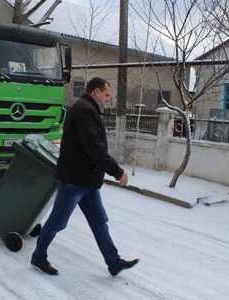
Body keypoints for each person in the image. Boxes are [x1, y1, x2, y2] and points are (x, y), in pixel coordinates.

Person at [31, 77, 139, 276]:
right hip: (74, 181)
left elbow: (92, 146)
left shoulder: (88, 109)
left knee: (99, 222)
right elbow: (93, 147)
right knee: (57, 222)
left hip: (86, 181)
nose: (109, 99)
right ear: (96, 92)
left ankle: (114, 263)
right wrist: (116, 171)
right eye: (106, 95)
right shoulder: (84, 110)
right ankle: (38, 257)